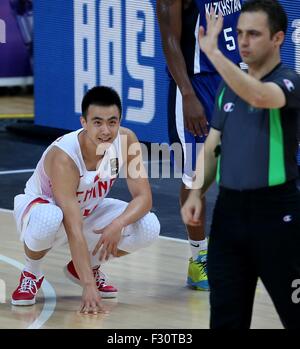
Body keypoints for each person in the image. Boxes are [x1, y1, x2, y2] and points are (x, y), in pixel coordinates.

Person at [181, 0, 300, 328]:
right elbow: (211, 146)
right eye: (239, 33)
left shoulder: (289, 81)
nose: (244, 42)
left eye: (254, 34)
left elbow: (260, 96)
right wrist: (195, 193)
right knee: (225, 320)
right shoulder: (226, 90)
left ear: (277, 38)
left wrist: (214, 53)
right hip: (229, 217)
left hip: (278, 216)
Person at [11, 86, 160, 314]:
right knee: (50, 218)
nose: (106, 130)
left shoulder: (126, 140)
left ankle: (84, 267)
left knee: (149, 226)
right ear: (84, 122)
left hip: (88, 209)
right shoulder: (65, 157)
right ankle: (31, 272)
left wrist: (117, 224)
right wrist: (88, 285)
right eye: (97, 122)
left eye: (112, 122)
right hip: (41, 210)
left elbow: (144, 197)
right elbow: (73, 226)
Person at [156, 0, 243, 291]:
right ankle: (198, 257)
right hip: (197, 86)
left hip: (233, 77)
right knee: (196, 179)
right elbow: (169, 37)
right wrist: (187, 94)